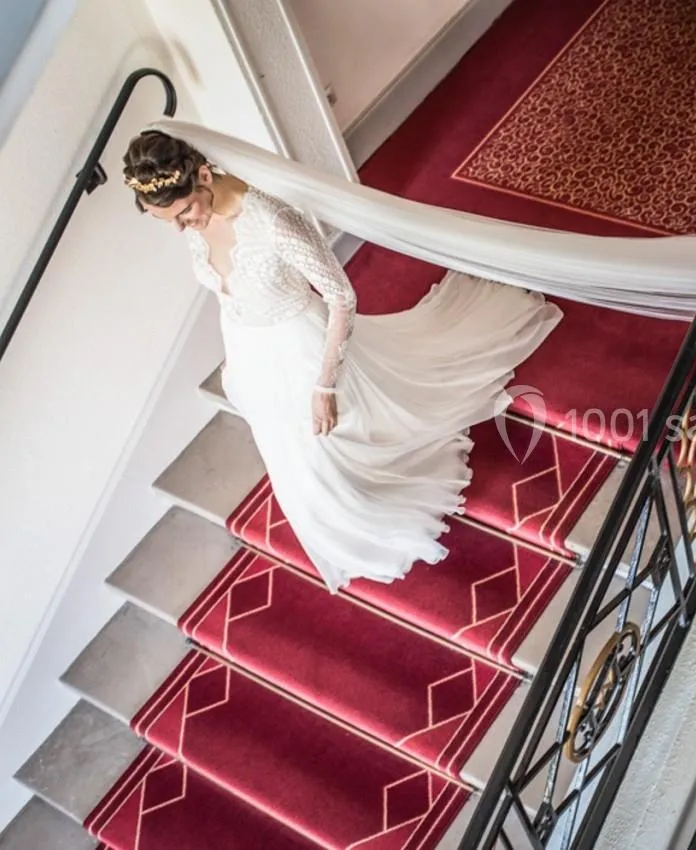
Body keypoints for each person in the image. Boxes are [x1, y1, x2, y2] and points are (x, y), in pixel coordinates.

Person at [123, 130, 561, 592]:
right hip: (252, 355)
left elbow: (341, 297)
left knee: (324, 444)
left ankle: (371, 512)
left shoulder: (274, 221)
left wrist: (324, 384)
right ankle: (331, 515)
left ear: (204, 176)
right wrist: (236, 361)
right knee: (293, 456)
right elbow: (228, 294)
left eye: (184, 213)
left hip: (304, 348)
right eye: (167, 220)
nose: (181, 227)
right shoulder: (195, 216)